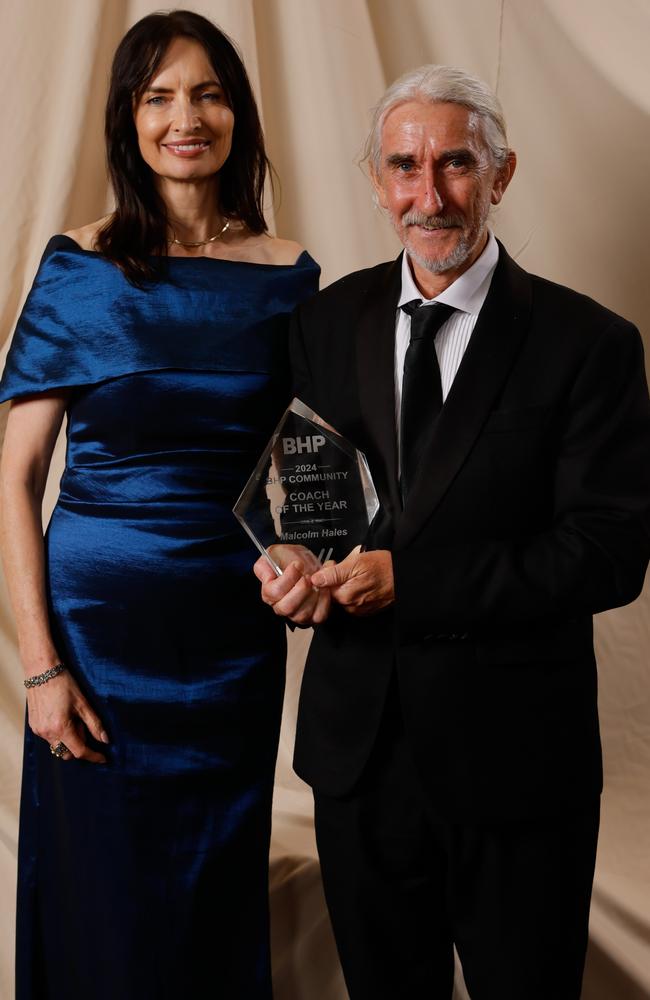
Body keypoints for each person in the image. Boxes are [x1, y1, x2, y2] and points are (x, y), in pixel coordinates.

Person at [255, 64, 650, 999]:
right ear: (376, 178)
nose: (427, 195)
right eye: (404, 165)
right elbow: (308, 505)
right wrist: (289, 567)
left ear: (502, 174)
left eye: (456, 165)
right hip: (361, 760)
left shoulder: (589, 344)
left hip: (517, 766)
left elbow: (607, 553)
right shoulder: (322, 321)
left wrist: (414, 583)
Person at [0, 10, 318, 999]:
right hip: (95, 642)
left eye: (210, 92)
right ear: (128, 121)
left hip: (229, 647)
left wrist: (311, 553)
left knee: (210, 892)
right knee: (101, 894)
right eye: (160, 96)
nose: (187, 117)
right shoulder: (80, 267)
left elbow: (304, 465)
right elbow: (14, 478)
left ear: (240, 115)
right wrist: (40, 666)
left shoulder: (288, 275)